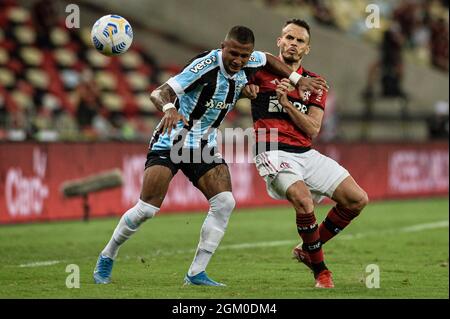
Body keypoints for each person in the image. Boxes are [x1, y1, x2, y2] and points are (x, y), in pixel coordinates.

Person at [93, 25, 328, 286]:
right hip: (174, 139)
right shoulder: (204, 65)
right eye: (234, 54)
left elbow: (270, 59)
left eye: (245, 56)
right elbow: (159, 92)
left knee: (225, 202)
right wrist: (170, 108)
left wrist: (294, 80)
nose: (239, 61)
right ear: (223, 47)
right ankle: (107, 254)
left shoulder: (252, 61)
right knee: (147, 209)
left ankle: (196, 273)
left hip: (204, 144)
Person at [242, 19, 369, 288]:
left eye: (300, 41)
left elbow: (312, 129)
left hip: (304, 152)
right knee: (303, 200)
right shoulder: (259, 71)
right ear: (279, 41)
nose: (293, 44)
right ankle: (321, 271)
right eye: (289, 37)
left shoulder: (315, 84)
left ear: (306, 49)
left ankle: (307, 249)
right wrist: (245, 89)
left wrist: (287, 104)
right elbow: (232, 83)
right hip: (271, 149)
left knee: (357, 199)